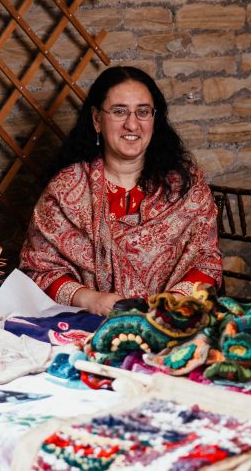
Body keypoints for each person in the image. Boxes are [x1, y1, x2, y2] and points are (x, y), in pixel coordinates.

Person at [20, 66, 222, 315]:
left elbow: (206, 259)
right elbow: (39, 269)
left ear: (154, 119)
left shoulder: (185, 184)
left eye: (143, 112)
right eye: (119, 112)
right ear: (96, 119)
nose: (132, 124)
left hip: (177, 321)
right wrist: (89, 299)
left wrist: (171, 305)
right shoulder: (66, 189)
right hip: (89, 329)